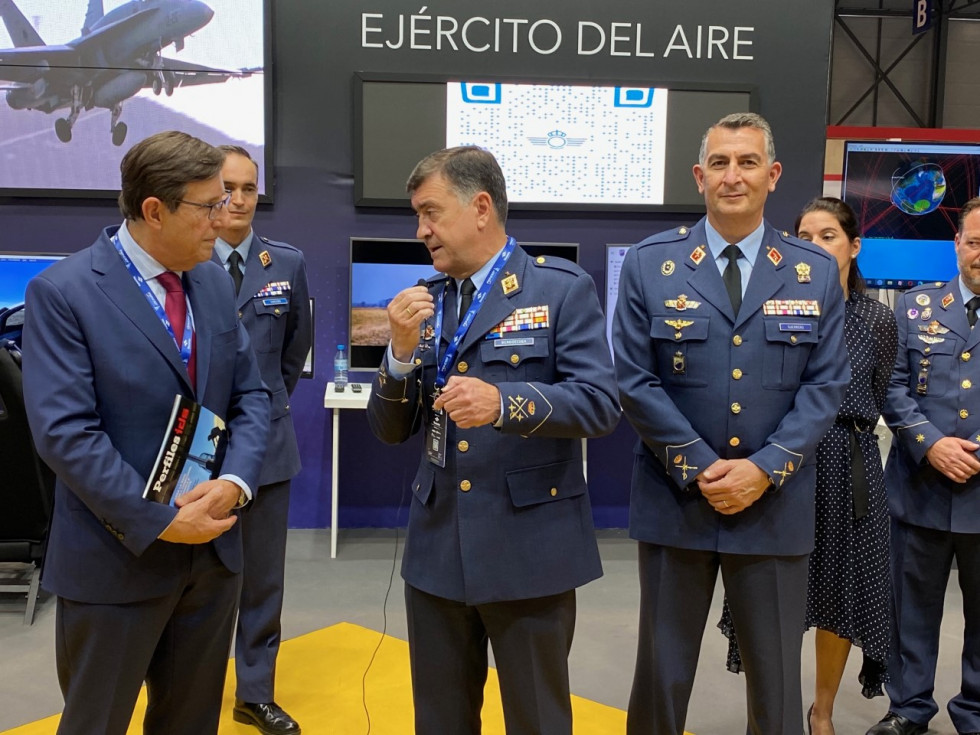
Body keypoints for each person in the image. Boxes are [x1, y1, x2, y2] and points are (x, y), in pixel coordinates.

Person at [21, 131, 270, 735]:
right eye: (208, 205)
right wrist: (158, 517)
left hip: (210, 555)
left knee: (190, 722)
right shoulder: (65, 292)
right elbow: (65, 434)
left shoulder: (212, 282)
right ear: (154, 210)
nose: (227, 214)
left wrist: (235, 481)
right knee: (96, 721)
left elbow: (252, 395)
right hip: (115, 560)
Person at [366, 146, 620, 734]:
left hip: (530, 548)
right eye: (418, 215)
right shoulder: (427, 302)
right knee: (441, 719)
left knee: (537, 719)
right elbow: (389, 429)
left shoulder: (559, 288)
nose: (420, 229)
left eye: (430, 212)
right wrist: (400, 356)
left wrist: (503, 403)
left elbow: (600, 404)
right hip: (436, 551)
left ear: (480, 207)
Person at [612, 112, 849, 735]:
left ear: (772, 176)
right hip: (676, 502)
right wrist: (699, 465)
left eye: (747, 163)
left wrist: (764, 469)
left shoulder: (813, 270)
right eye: (719, 163)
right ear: (699, 175)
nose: (732, 176)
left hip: (775, 505)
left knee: (775, 683)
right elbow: (634, 379)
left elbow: (826, 386)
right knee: (661, 676)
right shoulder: (649, 264)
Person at [718, 197, 898, 735]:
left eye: (828, 236)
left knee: (841, 594)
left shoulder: (877, 319)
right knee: (772, 594)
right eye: (805, 237)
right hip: (784, 462)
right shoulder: (776, 305)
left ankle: (821, 711)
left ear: (853, 246)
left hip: (851, 467)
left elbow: (879, 388)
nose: (816, 247)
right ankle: (770, 712)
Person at [869, 196, 980, 735]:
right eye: (975, 241)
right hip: (920, 485)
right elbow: (891, 387)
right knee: (910, 610)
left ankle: (976, 711)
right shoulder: (914, 308)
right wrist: (932, 443)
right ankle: (907, 708)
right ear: (957, 245)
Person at [213, 146, 311, 735]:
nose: (240, 199)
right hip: (193, 448)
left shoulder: (287, 264)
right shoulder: (185, 261)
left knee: (261, 578)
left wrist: (265, 409)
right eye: (228, 187)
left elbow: (294, 354)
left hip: (267, 446)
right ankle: (187, 683)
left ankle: (254, 691)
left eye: (249, 188)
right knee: (192, 578)